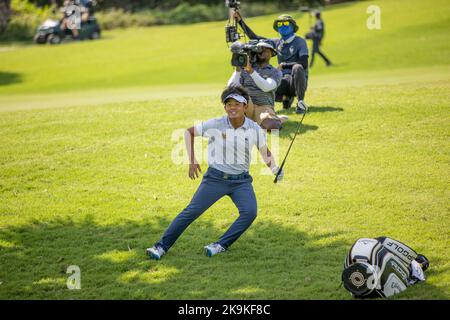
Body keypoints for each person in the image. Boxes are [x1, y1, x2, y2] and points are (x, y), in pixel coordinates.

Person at [146, 85, 284, 260]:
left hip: (241, 182)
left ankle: (220, 245)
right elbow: (189, 132)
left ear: (245, 106)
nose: (232, 107)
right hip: (215, 179)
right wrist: (192, 160)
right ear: (225, 107)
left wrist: (275, 169)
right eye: (229, 104)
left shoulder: (254, 128)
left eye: (237, 104)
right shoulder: (216, 124)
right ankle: (160, 247)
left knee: (250, 212)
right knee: (191, 212)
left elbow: (265, 152)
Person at [234, 11, 309, 114]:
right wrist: (240, 21)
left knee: (298, 67)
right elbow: (255, 37)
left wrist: (284, 65)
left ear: (293, 26)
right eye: (279, 24)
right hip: (282, 78)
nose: (282, 26)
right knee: (263, 80)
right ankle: (285, 98)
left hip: (296, 80)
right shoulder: (277, 42)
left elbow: (304, 63)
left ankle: (300, 103)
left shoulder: (300, 41)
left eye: (286, 23)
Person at [227, 40, 287, 131]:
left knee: (272, 126)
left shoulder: (275, 72)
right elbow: (231, 87)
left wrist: (251, 72)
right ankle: (253, 122)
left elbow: (266, 87)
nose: (262, 51)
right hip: (246, 105)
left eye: (265, 49)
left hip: (263, 106)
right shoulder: (245, 68)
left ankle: (273, 119)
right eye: (259, 49)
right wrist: (238, 69)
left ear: (272, 53)